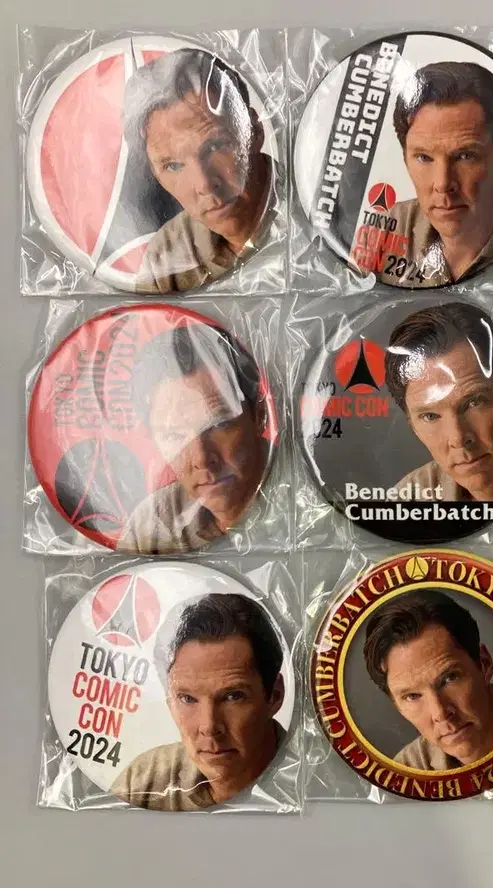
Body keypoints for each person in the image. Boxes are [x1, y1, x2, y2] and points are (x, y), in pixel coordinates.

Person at [111, 593, 286, 811]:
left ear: (275, 695)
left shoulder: (309, 779)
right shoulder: (143, 780)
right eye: (188, 699)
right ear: (169, 701)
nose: (209, 727)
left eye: (233, 697)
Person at [123, 48, 275, 293]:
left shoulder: (322, 210)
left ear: (254, 131)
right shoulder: (165, 256)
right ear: (154, 172)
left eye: (216, 146)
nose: (204, 184)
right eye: (173, 166)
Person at [116, 323, 269, 554]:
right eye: (174, 435)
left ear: (259, 415)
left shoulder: (304, 498)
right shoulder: (153, 523)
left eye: (219, 424)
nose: (201, 459)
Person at [378, 61, 493, 287]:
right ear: (405, 158)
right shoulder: (385, 228)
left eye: (465, 156)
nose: (443, 183)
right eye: (424, 158)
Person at [384, 302, 493, 503]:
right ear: (412, 425)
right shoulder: (406, 504)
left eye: (474, 402)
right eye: (430, 416)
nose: (458, 438)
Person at [363, 590, 493, 770]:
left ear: (485, 664)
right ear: (396, 705)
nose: (440, 713)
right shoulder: (403, 772)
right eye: (412, 696)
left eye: (449, 678)